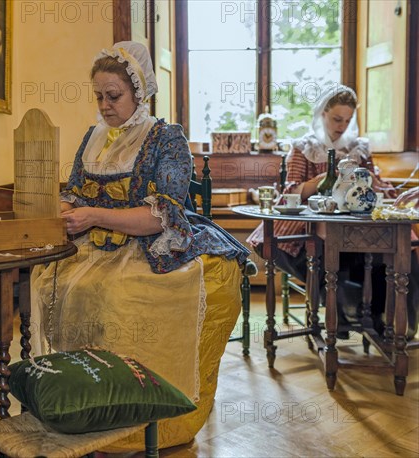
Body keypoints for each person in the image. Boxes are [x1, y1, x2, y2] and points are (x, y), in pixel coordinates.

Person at [30, 41, 249, 450]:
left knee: (127, 296)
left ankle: (149, 419)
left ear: (139, 92)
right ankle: (80, 405)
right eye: (98, 96)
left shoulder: (166, 139)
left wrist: (93, 216)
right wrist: (56, 211)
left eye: (113, 96)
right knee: (52, 282)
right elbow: (76, 195)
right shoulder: (93, 139)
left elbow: (158, 216)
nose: (104, 105)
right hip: (94, 245)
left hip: (150, 242)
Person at [247, 85, 418, 339]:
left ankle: (380, 320)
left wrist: (369, 179)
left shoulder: (358, 149)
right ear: (322, 114)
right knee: (325, 254)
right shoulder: (304, 148)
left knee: (387, 252)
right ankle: (338, 318)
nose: (342, 125)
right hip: (310, 228)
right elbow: (291, 192)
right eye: (337, 119)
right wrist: (323, 178)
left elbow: (382, 189)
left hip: (353, 229)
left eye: (348, 120)